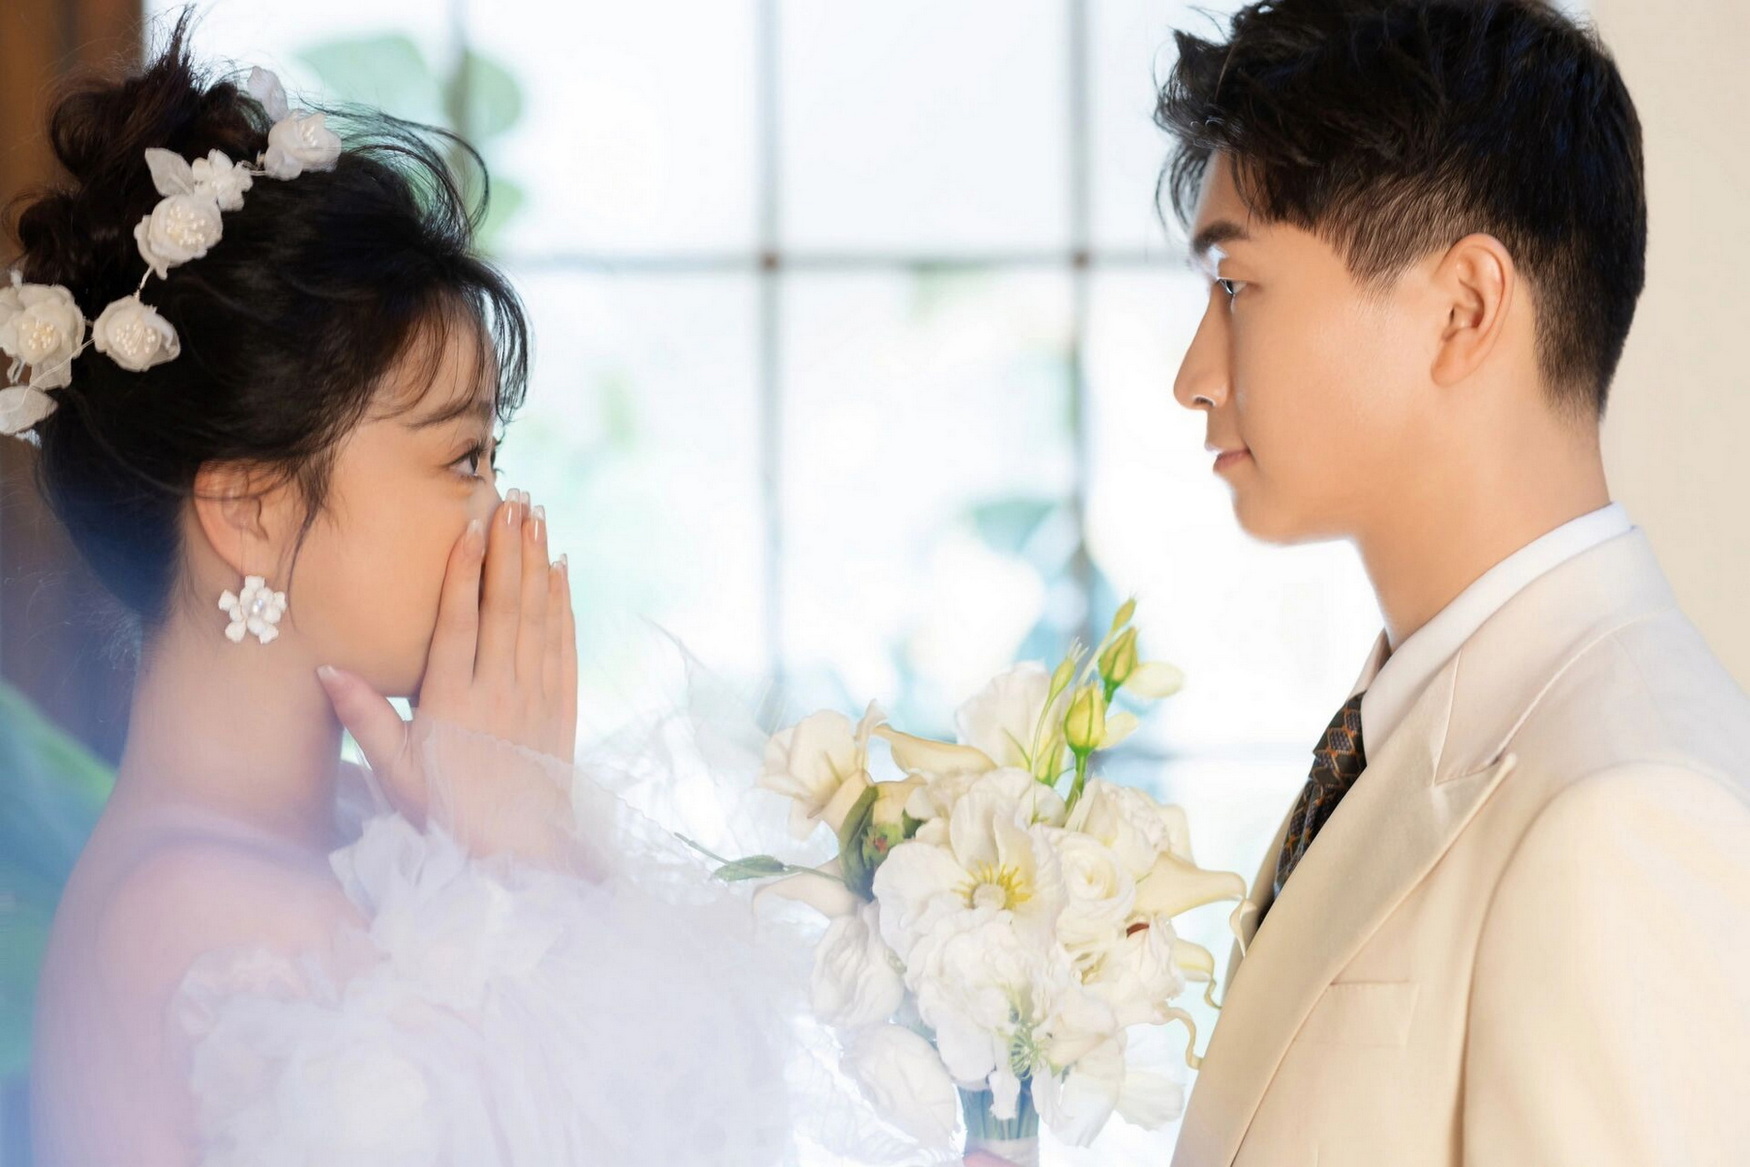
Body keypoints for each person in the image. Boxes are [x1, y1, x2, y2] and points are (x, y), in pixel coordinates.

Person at [16, 19, 850, 1166]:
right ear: (249, 510)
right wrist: (523, 853)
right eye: (463, 459)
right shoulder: (202, 911)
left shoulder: (366, 823)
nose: (504, 520)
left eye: (495, 459)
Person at [1148, 0, 1750, 1163]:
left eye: (1235, 285)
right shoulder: (1413, 728)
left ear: (1462, 311)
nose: (1193, 376)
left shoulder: (1625, 810)